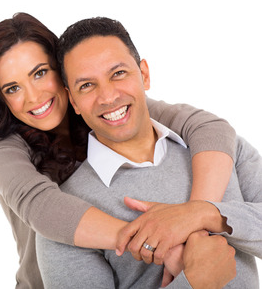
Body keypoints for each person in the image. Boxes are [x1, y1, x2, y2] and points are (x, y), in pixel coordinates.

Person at [0, 13, 237, 288]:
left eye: (39, 73)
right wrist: (161, 242)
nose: (34, 96)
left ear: (63, 72)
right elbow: (43, 207)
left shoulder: (102, 104)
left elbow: (209, 128)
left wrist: (194, 218)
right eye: (13, 88)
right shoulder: (3, 146)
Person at [35, 16, 262, 288]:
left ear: (144, 74)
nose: (107, 97)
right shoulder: (67, 217)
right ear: (73, 100)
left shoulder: (218, 149)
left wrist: (206, 214)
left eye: (118, 73)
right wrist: (195, 281)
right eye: (87, 85)